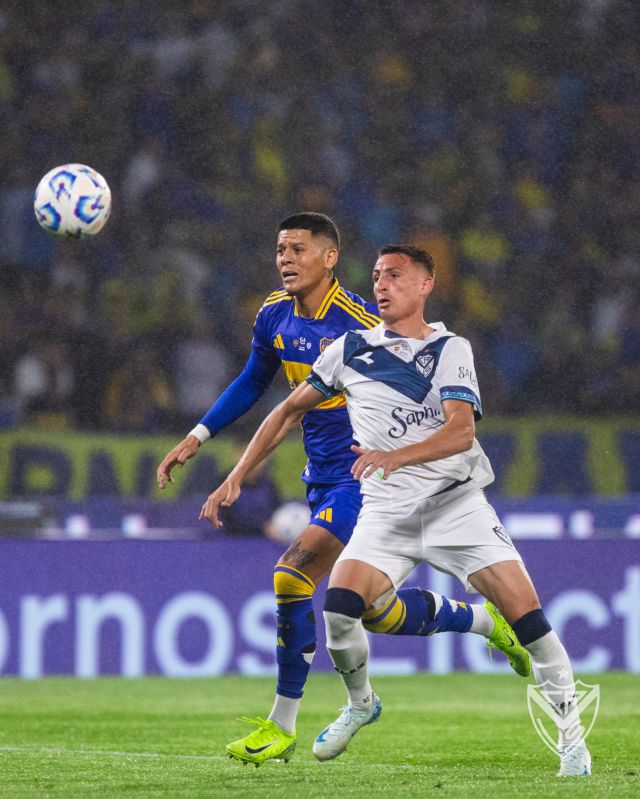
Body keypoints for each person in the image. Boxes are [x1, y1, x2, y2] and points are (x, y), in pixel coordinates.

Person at [200, 244, 591, 778]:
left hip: (456, 507)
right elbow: (288, 410)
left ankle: (573, 745)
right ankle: (361, 703)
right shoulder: (349, 348)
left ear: (425, 285)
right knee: (340, 608)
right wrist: (237, 474)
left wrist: (394, 456)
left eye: (396, 276)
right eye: (378, 275)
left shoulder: (450, 348)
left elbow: (461, 431)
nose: (382, 284)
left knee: (531, 622)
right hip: (386, 513)